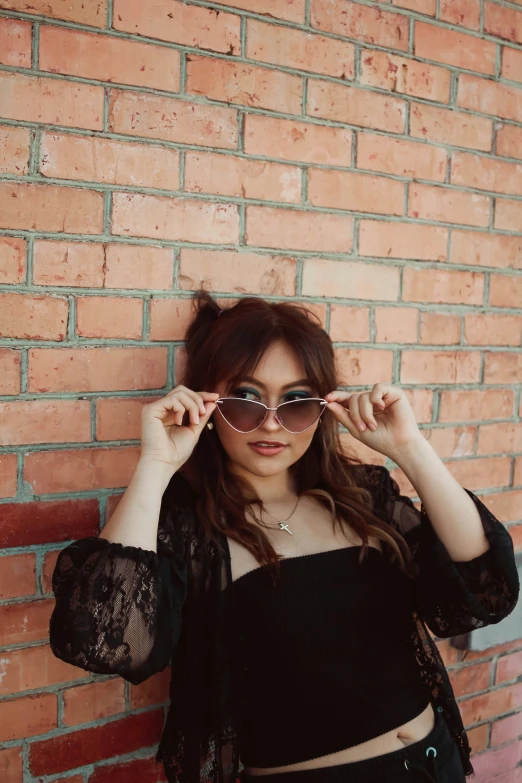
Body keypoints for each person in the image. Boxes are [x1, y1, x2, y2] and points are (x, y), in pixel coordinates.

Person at [49, 290, 519, 783]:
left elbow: (486, 591)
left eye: (296, 402)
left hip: (432, 764)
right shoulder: (188, 531)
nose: (271, 423)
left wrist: (410, 448)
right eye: (246, 400)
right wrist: (156, 465)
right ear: (209, 404)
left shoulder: (365, 497)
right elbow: (105, 640)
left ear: (322, 408)